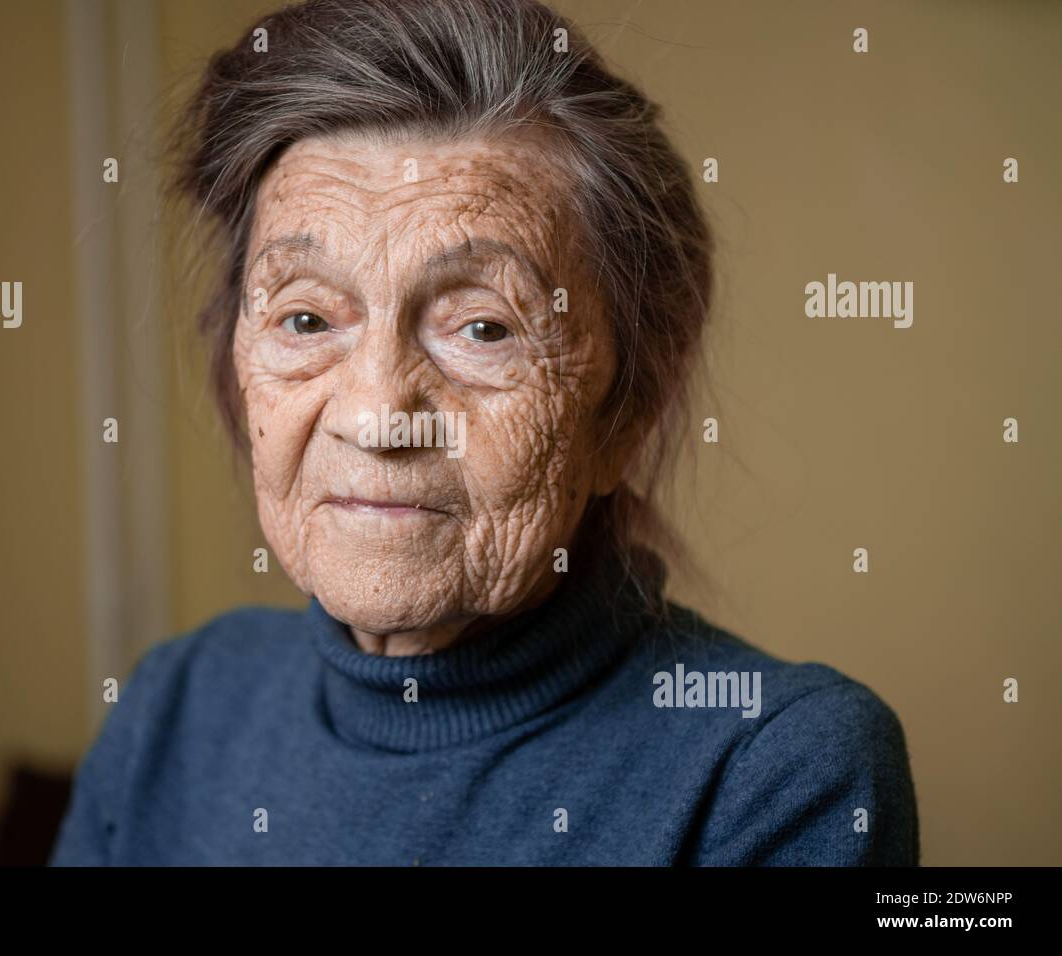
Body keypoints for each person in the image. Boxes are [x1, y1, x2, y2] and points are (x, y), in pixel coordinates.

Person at [50, 0, 918, 866]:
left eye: (484, 328)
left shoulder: (774, 771)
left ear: (632, 403)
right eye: (307, 319)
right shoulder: (174, 706)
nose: (375, 415)